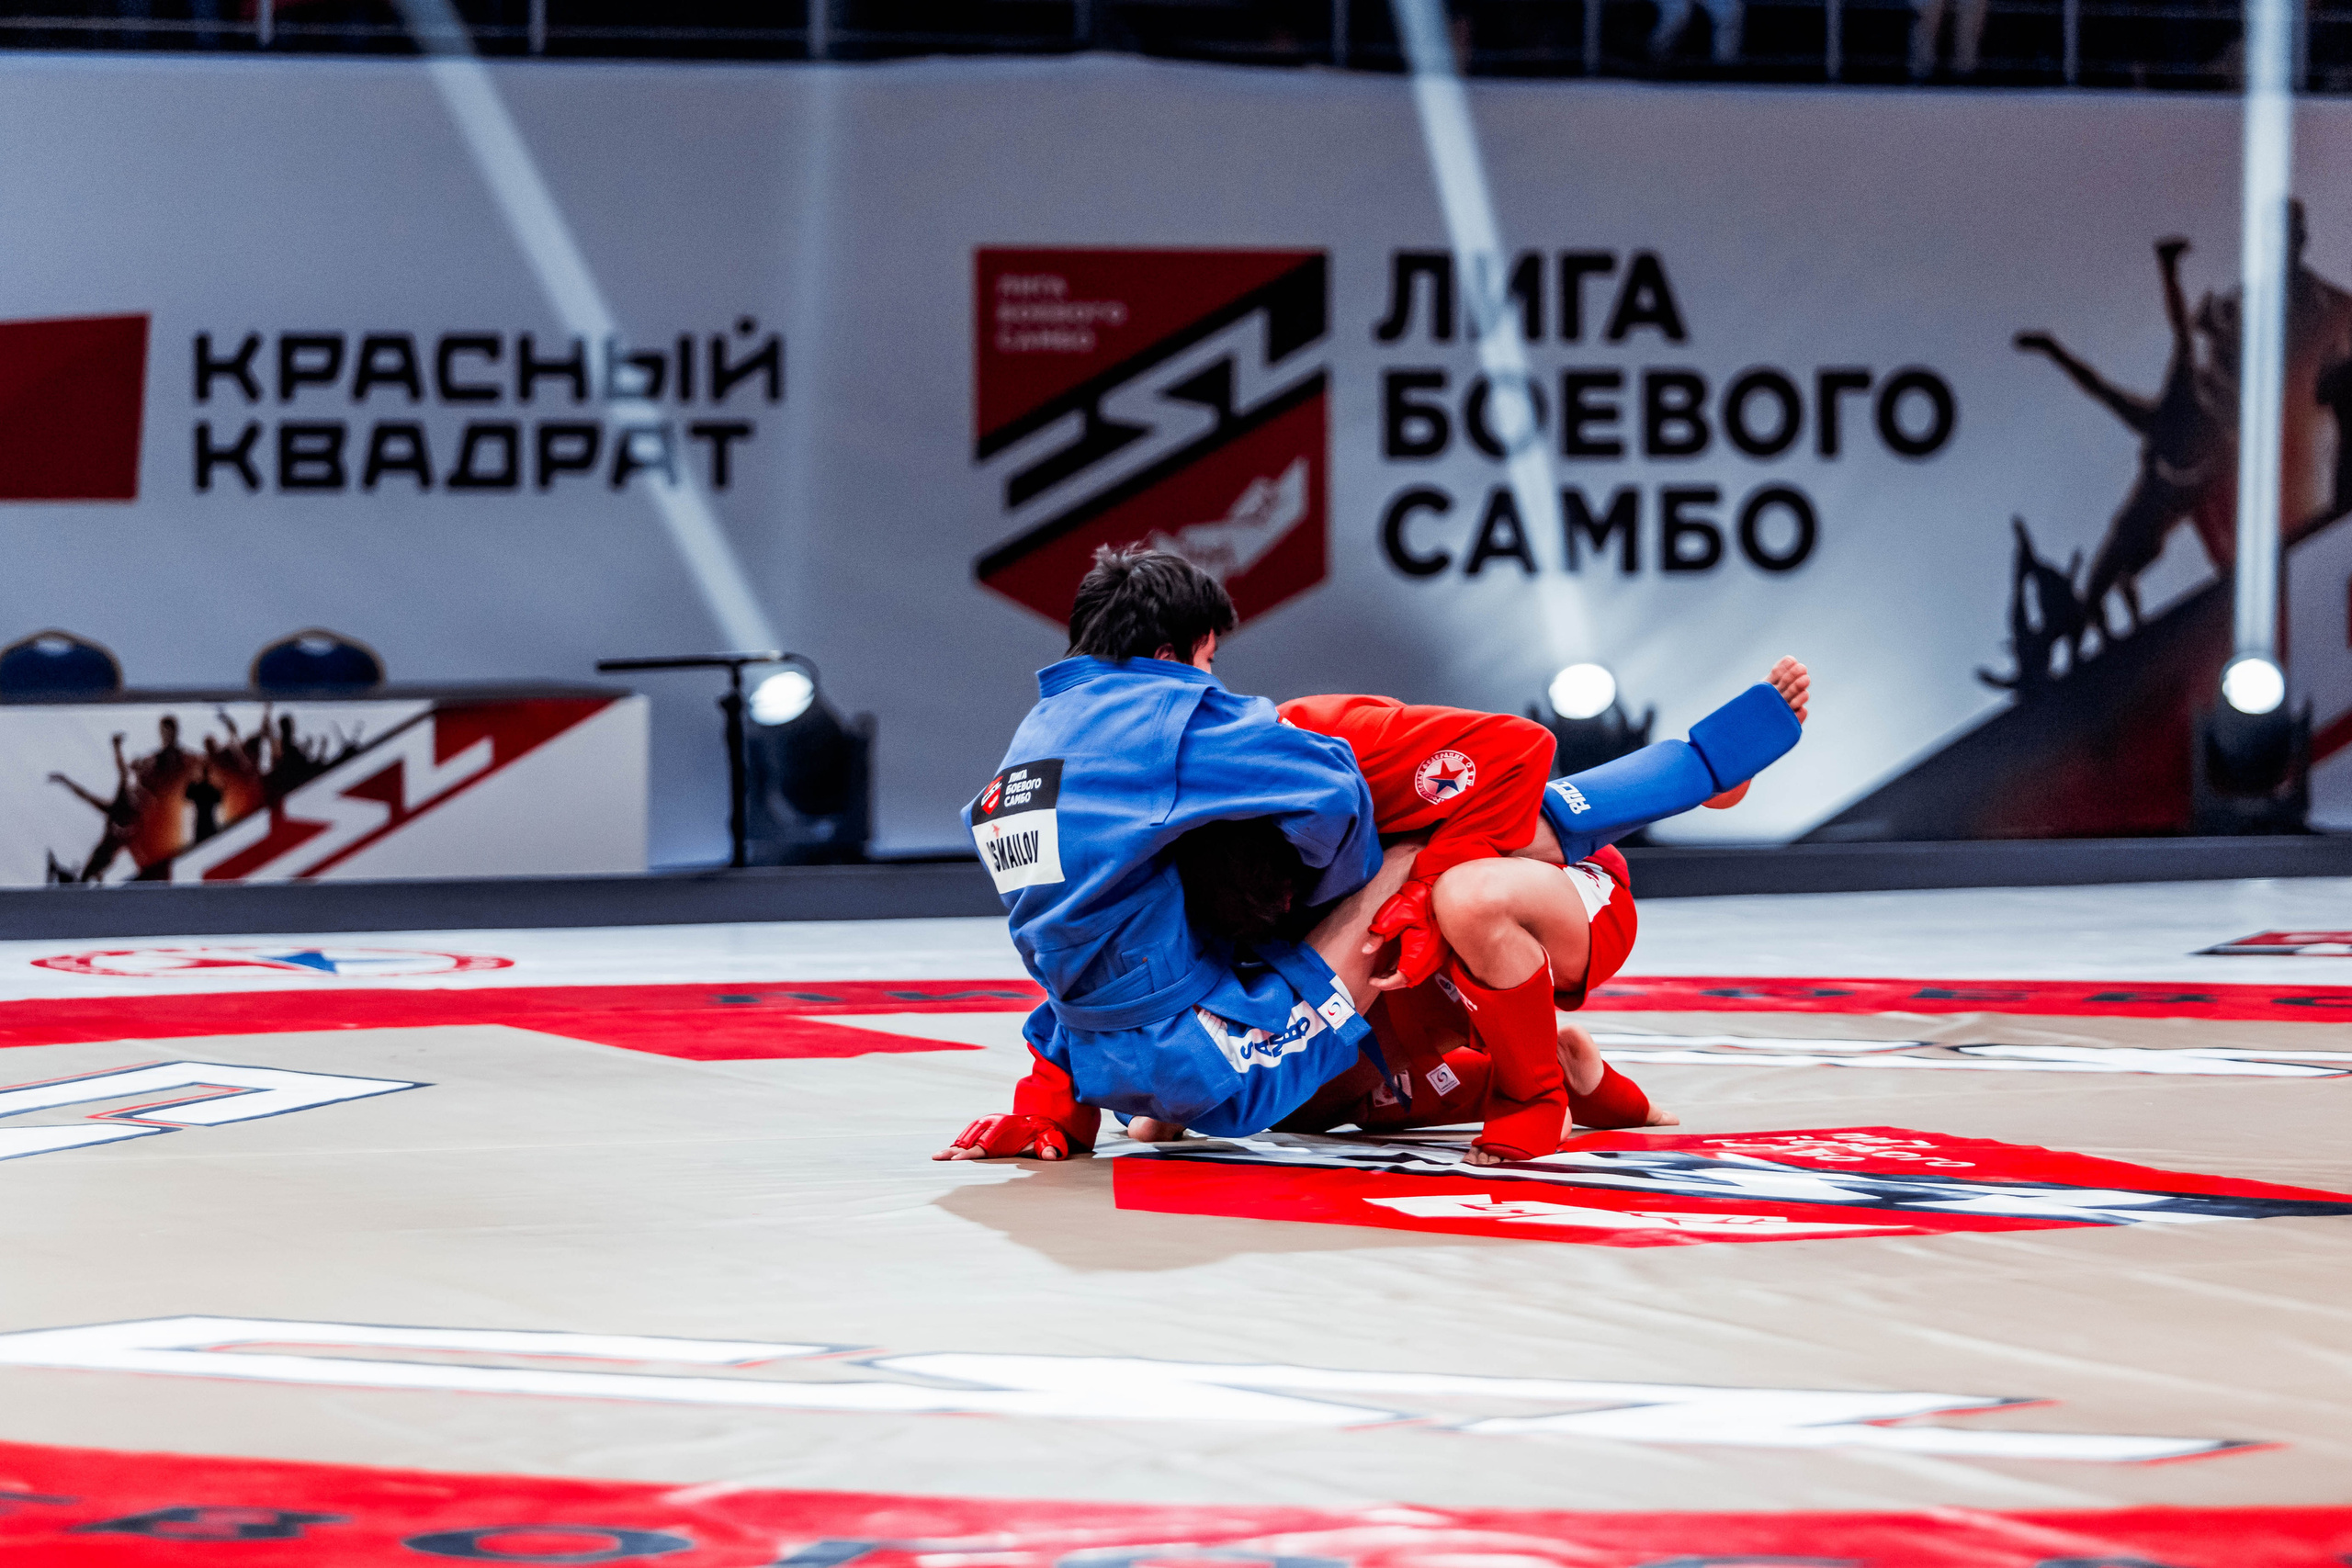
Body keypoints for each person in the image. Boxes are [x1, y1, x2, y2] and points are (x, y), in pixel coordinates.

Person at [944, 635, 1810, 1164]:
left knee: (1466, 888)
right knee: (1302, 1107)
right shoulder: (1170, 827)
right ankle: (1574, 1068)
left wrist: (1701, 768)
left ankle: (1535, 1090)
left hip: (1553, 891)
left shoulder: (1327, 738)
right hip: (1395, 955)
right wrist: (1052, 1108)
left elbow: (1531, 779)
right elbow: (1102, 969)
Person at [940, 547, 1411, 1164]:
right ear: (1169, 656)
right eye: (1208, 659)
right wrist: (1314, 909)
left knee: (1134, 903)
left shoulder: (1037, 731)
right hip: (1206, 1066)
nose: (1211, 679)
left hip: (1087, 1055)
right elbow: (1334, 790)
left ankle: (1150, 1110)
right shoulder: (1172, 713)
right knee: (1407, 857)